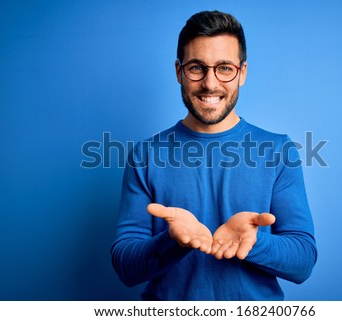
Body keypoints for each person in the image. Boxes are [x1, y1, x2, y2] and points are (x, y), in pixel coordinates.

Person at [111, 10, 317, 300]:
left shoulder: (279, 151)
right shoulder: (144, 156)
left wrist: (254, 242)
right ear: (178, 71)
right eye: (197, 68)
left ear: (242, 72)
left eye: (224, 68)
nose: (210, 83)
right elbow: (125, 267)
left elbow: (303, 261)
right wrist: (172, 242)